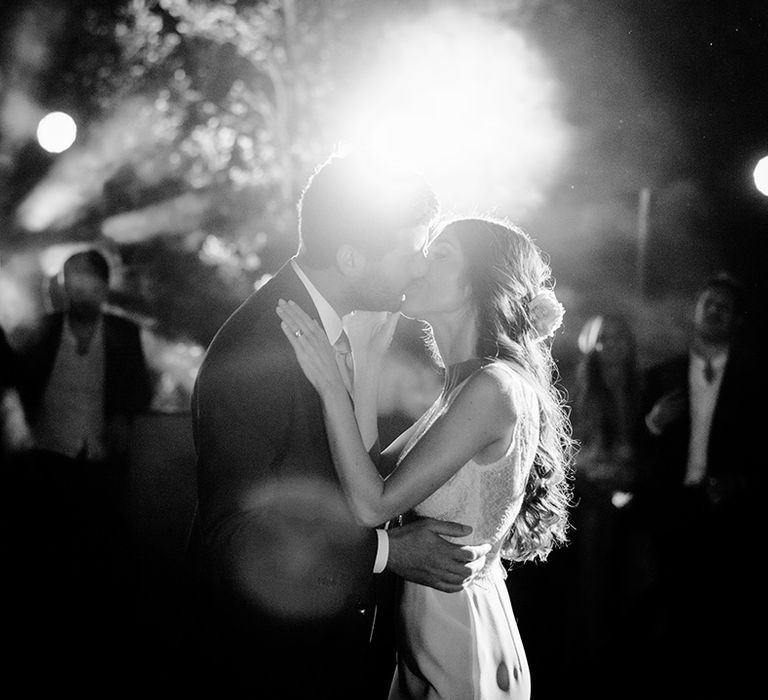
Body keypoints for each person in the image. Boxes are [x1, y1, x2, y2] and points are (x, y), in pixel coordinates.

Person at [190, 151, 491, 699]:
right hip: (273, 660)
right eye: (412, 251)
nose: (421, 266)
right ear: (352, 258)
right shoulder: (260, 350)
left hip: (338, 650)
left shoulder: (350, 329)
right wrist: (386, 552)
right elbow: (229, 536)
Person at [277, 216, 575, 700]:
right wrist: (368, 363)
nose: (418, 264)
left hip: (462, 641)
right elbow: (372, 476)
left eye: (439, 255)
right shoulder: (461, 388)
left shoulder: (492, 387)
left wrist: (331, 386)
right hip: (427, 637)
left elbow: (372, 506)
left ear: (473, 283)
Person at [12, 247, 153, 689]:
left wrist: (124, 416)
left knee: (96, 557)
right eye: (76, 282)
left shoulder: (124, 334)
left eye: (92, 283)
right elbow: (14, 377)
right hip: (48, 457)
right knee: (45, 556)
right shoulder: (42, 330)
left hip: (100, 463)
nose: (84, 291)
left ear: (104, 287)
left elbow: (141, 392)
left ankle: (92, 653)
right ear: (64, 284)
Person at [641, 272, 765, 696]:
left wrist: (742, 483)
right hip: (671, 508)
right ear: (696, 309)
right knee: (669, 610)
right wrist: (652, 424)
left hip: (729, 512)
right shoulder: (660, 375)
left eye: (724, 306)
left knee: (723, 616)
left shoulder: (756, 380)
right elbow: (632, 446)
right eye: (708, 302)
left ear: (736, 320)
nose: (714, 310)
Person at [566, 313, 651, 696]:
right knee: (595, 581)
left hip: (639, 494)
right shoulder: (582, 389)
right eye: (605, 338)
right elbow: (573, 455)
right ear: (593, 345)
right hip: (595, 498)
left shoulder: (645, 388)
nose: (613, 345)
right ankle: (593, 664)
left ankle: (630, 659)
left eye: (620, 337)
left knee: (639, 579)